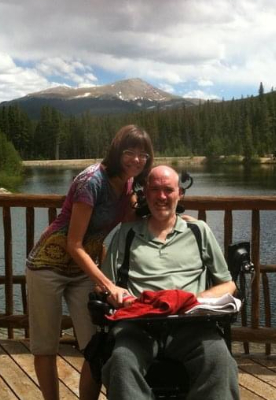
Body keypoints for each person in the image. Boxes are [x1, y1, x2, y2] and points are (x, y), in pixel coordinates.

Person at [26, 124, 154, 400]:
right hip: (48, 266)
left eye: (143, 155)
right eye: (129, 152)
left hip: (83, 268)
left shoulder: (128, 183)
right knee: (46, 346)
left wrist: (178, 218)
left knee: (96, 345)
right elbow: (74, 243)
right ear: (117, 152)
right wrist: (109, 285)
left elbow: (133, 223)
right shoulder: (91, 182)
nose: (136, 159)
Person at [100, 165, 240, 400]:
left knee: (219, 360)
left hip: (191, 325)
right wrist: (116, 295)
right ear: (145, 193)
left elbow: (228, 284)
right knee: (122, 362)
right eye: (155, 189)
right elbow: (103, 284)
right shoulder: (127, 234)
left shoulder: (199, 231)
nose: (162, 196)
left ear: (180, 194)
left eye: (168, 189)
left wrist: (197, 300)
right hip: (138, 326)